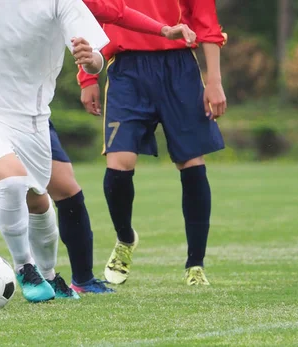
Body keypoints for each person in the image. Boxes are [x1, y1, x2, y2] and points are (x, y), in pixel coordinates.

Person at [0, 1, 197, 300]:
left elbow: (116, 12)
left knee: (60, 188)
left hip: (26, 111)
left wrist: (161, 31)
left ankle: (79, 279)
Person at [77, 0, 227, 286]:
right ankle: (125, 238)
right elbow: (94, 15)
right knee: (119, 164)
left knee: (191, 161)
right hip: (127, 70)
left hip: (180, 67)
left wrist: (214, 81)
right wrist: (87, 77)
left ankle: (195, 264)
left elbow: (207, 24)